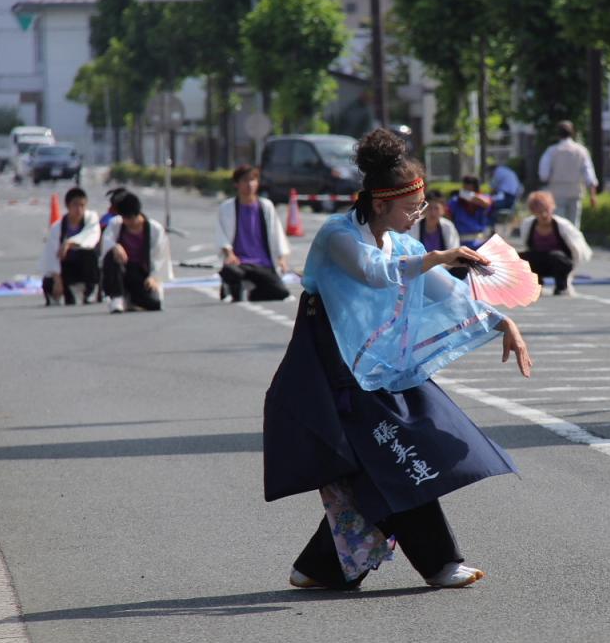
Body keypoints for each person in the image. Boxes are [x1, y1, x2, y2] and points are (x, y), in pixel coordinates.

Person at [263, 128, 533, 591]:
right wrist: (437, 257)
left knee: (391, 459)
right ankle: (437, 563)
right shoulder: (337, 235)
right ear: (380, 203)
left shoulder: (406, 246)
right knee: (396, 457)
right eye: (411, 207)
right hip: (333, 371)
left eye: (421, 206)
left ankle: (321, 566)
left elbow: (447, 293)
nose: (417, 216)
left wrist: (501, 322)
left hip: (380, 367)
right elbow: (374, 273)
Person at [216, 165, 291, 302]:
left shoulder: (266, 206)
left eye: (253, 180)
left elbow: (277, 234)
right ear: (236, 184)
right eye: (245, 180)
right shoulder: (226, 208)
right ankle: (231, 287)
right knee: (230, 271)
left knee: (282, 293)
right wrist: (229, 254)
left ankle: (250, 293)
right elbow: (221, 235)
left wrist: (282, 259)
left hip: (263, 264)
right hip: (239, 263)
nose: (250, 184)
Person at [101, 190, 173, 313]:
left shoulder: (155, 229)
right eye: (124, 218)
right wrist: (115, 246)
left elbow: (160, 257)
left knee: (155, 304)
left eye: (130, 218)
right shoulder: (115, 224)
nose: (127, 222)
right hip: (122, 270)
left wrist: (153, 277)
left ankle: (131, 298)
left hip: (141, 274)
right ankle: (117, 297)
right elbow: (106, 242)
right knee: (111, 255)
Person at [518, 190, 592, 296]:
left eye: (546, 210)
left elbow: (577, 252)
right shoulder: (528, 225)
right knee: (519, 257)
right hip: (539, 262)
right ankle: (536, 284)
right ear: (533, 212)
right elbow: (527, 246)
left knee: (556, 256)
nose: (544, 215)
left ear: (552, 208)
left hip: (560, 262)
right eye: (539, 212)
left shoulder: (563, 226)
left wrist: (571, 272)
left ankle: (561, 286)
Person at [39, 187, 101, 306]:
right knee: (48, 283)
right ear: (68, 206)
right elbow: (51, 255)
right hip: (67, 267)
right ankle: (63, 293)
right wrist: (57, 281)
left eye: (82, 205)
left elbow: (91, 238)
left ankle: (90, 291)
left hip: (85, 267)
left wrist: (68, 243)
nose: (79, 209)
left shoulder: (91, 218)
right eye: (75, 205)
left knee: (90, 253)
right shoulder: (57, 227)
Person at [537, 120, 598, 228]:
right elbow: (589, 174)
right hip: (575, 192)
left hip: (557, 193)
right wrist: (593, 195)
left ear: (558, 134)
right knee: (574, 227)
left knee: (559, 226)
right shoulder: (581, 151)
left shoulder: (551, 151)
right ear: (573, 133)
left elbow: (543, 175)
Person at [447, 175, 493, 249]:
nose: (467, 193)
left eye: (470, 190)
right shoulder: (456, 201)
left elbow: (487, 203)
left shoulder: (483, 199)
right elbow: (447, 216)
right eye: (465, 190)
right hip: (461, 244)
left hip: (480, 243)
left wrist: (470, 196)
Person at [488, 160, 522, 227]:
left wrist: (489, 196)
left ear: (492, 170)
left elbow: (493, 188)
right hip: (512, 198)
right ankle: (492, 225)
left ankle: (490, 225)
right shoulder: (506, 171)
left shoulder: (498, 172)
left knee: (490, 206)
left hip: (508, 199)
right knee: (491, 205)